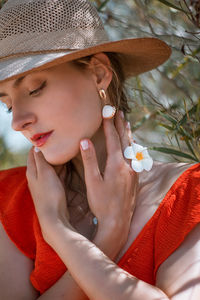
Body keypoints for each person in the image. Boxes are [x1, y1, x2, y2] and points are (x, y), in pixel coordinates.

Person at [0, 0, 199, 299]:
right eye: (8, 105)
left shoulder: (188, 196)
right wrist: (105, 237)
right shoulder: (12, 201)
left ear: (98, 74)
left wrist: (60, 233)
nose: (18, 121)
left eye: (35, 89)